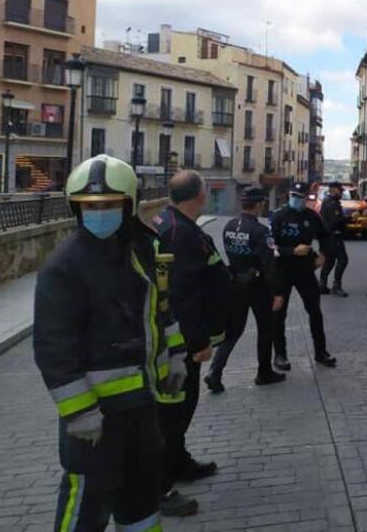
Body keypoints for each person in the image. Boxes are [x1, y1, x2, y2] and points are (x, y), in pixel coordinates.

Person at [34, 155, 179, 531]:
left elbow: (160, 310)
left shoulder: (140, 250)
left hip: (142, 407)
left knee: (141, 503)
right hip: (97, 418)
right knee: (85, 508)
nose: (99, 212)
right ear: (76, 209)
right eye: (90, 207)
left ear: (129, 204)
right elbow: (53, 346)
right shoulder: (65, 265)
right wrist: (79, 411)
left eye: (109, 205)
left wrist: (173, 359)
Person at [153, 170, 229, 516]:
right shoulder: (177, 234)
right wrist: (197, 341)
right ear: (199, 196)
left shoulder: (174, 225)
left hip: (182, 342)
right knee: (173, 412)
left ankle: (177, 462)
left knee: (181, 408)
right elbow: (180, 295)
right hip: (178, 346)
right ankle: (158, 486)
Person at [205, 186, 286, 393]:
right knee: (265, 330)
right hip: (258, 286)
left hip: (235, 284)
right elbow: (269, 264)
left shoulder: (230, 226)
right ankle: (264, 372)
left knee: (232, 331)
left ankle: (215, 371)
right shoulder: (260, 231)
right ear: (259, 204)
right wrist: (277, 293)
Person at [271, 182, 337, 368]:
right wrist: (292, 251)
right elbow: (271, 247)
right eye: (294, 196)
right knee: (279, 314)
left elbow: (326, 236)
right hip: (282, 269)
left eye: (301, 197)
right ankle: (280, 354)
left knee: (315, 311)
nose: (297, 200)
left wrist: (323, 255)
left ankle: (321, 351)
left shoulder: (312, 217)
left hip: (305, 270)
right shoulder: (279, 217)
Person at [318, 182, 349, 297]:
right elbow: (335, 222)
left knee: (329, 260)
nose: (341, 193)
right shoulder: (332, 204)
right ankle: (337, 285)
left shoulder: (326, 201)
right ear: (333, 190)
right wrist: (349, 218)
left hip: (327, 237)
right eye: (340, 190)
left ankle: (322, 284)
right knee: (343, 260)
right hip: (334, 237)